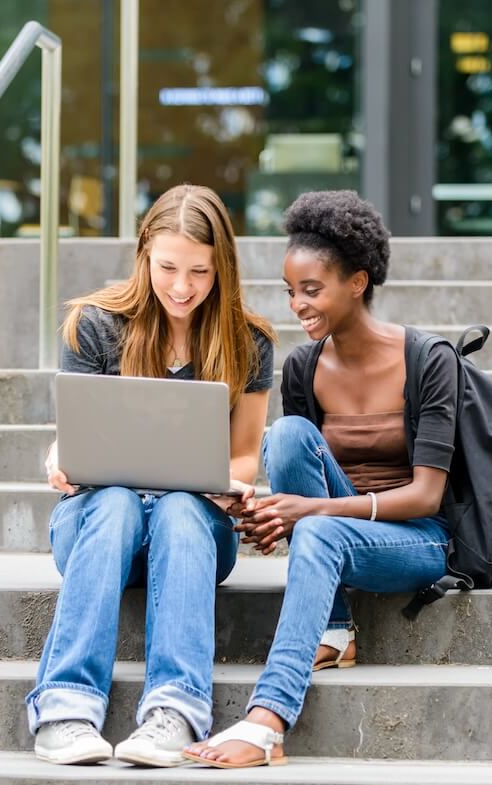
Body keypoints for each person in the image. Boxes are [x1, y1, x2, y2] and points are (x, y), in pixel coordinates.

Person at [184, 190, 458, 769]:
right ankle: (334, 631)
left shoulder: (429, 360)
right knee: (284, 437)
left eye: (312, 290)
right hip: (335, 525)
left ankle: (268, 722)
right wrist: (267, 512)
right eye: (289, 292)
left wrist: (305, 513)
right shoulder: (305, 367)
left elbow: (426, 495)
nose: (297, 306)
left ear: (357, 282)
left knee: (318, 530)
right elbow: (300, 476)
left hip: (419, 536)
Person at [27, 183, 275, 767]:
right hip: (99, 528)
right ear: (144, 253)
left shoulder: (248, 340)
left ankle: (177, 710)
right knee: (113, 500)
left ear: (223, 270)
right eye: (167, 268)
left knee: (181, 507)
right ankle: (64, 707)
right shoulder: (95, 324)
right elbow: (76, 434)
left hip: (191, 536)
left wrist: (226, 481)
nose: (182, 287)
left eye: (200, 272)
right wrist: (59, 457)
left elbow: (245, 458)